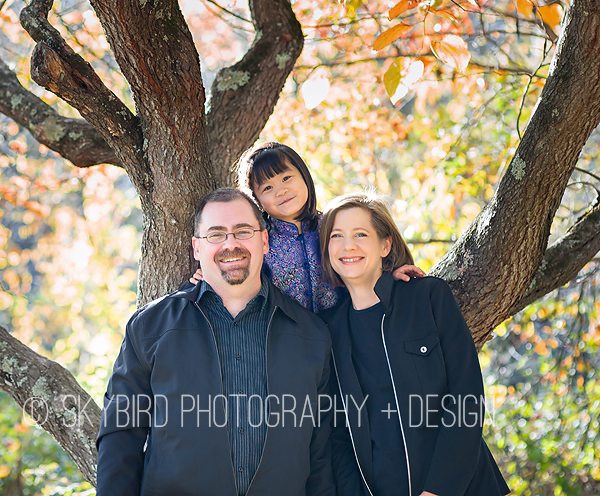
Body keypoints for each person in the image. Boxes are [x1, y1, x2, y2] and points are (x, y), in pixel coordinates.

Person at [97, 188, 336, 496]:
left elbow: (320, 453)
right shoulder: (149, 328)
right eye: (216, 234)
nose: (231, 244)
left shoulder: (311, 335)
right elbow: (121, 434)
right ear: (197, 248)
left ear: (264, 240)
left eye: (243, 231)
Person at [317, 192, 510, 496]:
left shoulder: (427, 297)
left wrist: (438, 490)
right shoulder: (329, 329)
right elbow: (339, 436)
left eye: (360, 234)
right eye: (336, 235)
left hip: (464, 487)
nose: (347, 245)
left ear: (385, 244)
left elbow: (466, 397)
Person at [193, 142, 424, 312]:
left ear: (303, 176)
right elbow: (239, 269)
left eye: (286, 178)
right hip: (290, 339)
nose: (281, 191)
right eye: (267, 188)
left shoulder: (333, 225)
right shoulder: (260, 240)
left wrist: (391, 274)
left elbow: (365, 253)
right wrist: (211, 274)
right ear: (257, 201)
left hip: (346, 325)